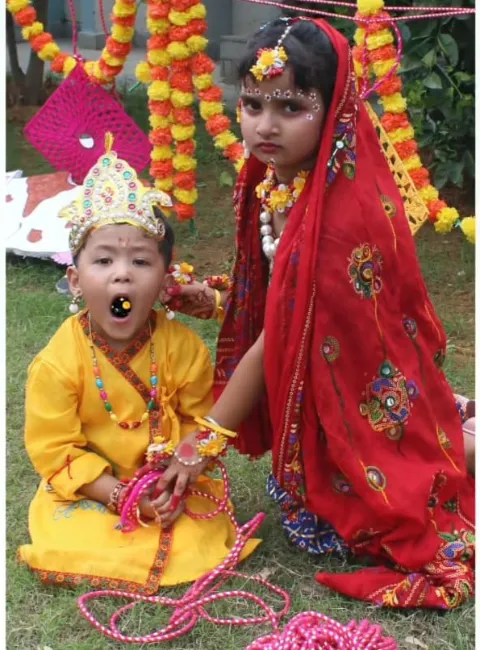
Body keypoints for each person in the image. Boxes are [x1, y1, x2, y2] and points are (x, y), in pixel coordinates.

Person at [160, 17, 475, 609]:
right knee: (305, 516)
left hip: (359, 392)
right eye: (252, 104)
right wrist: (220, 298)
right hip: (324, 382)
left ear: (334, 112)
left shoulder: (337, 217)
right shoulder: (273, 181)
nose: (265, 125)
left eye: (291, 107)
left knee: (363, 515)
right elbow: (283, 299)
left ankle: (458, 440)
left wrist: (202, 443)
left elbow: (281, 335)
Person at [18, 135, 259, 594]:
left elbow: (199, 424)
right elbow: (56, 450)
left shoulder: (184, 348)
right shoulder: (57, 363)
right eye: (104, 260)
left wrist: (174, 478)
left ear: (166, 280)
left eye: (140, 261)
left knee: (194, 535)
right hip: (94, 491)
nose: (122, 274)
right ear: (75, 280)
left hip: (170, 481)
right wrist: (120, 494)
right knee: (75, 536)